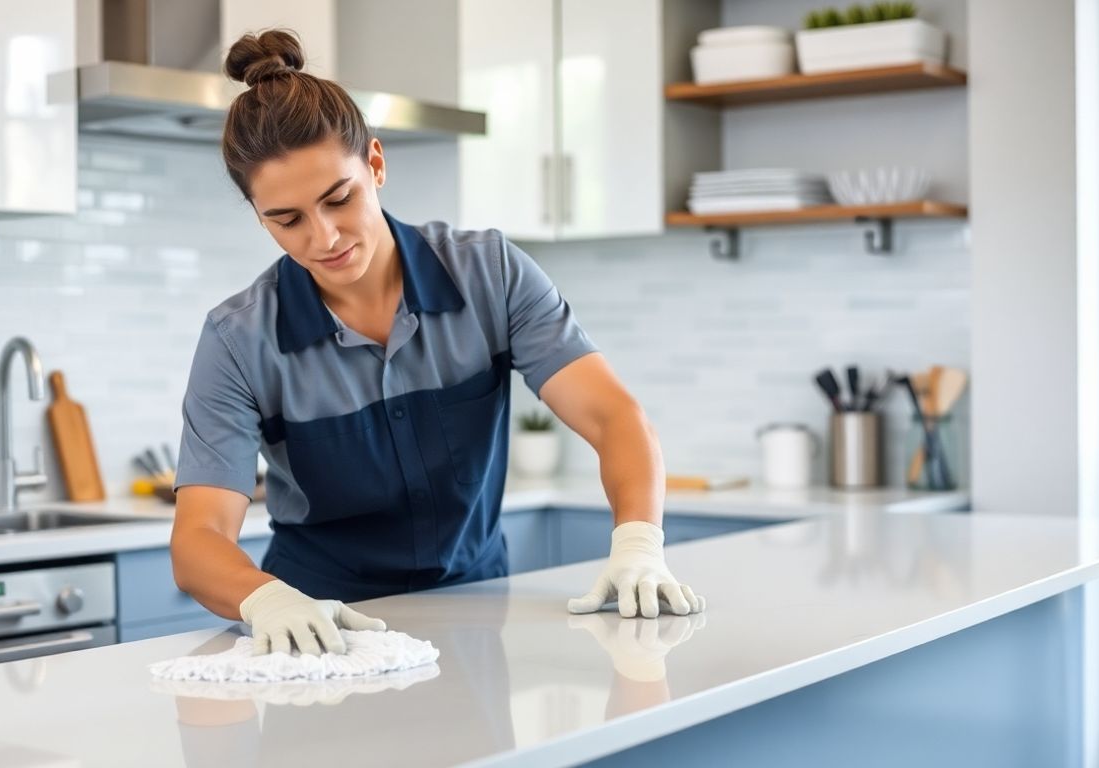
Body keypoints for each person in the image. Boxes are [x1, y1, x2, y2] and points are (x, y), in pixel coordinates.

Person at [170, 29, 706, 657]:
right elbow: (199, 539)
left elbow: (614, 418)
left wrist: (639, 544)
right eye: (286, 220)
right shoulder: (238, 340)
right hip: (320, 636)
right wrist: (266, 598)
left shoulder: (491, 273)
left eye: (339, 199)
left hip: (478, 617)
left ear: (375, 164)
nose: (324, 237)